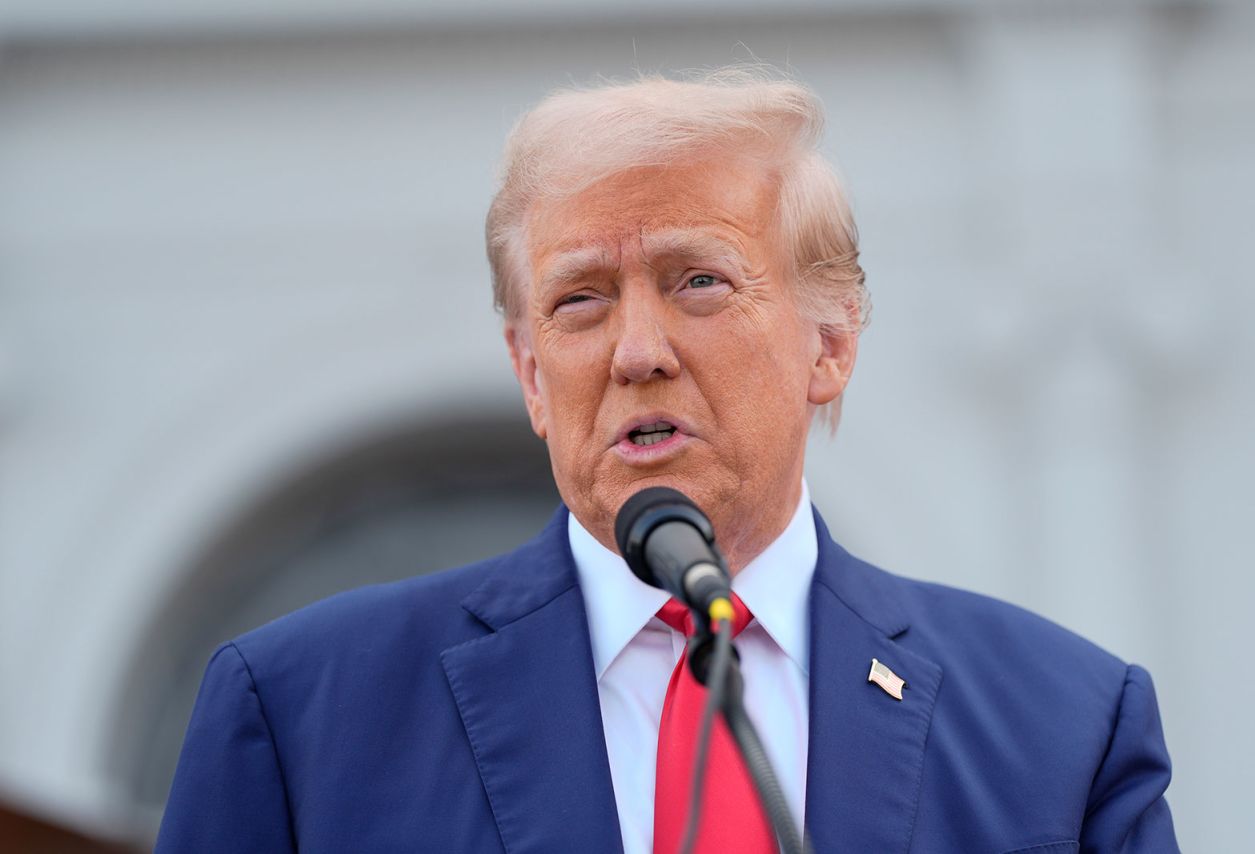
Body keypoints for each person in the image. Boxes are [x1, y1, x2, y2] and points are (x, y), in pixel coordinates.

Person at [157, 68, 1178, 853]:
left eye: (697, 281)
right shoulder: (303, 712)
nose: (636, 349)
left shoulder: (1062, 725)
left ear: (829, 342)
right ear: (527, 373)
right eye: (579, 300)